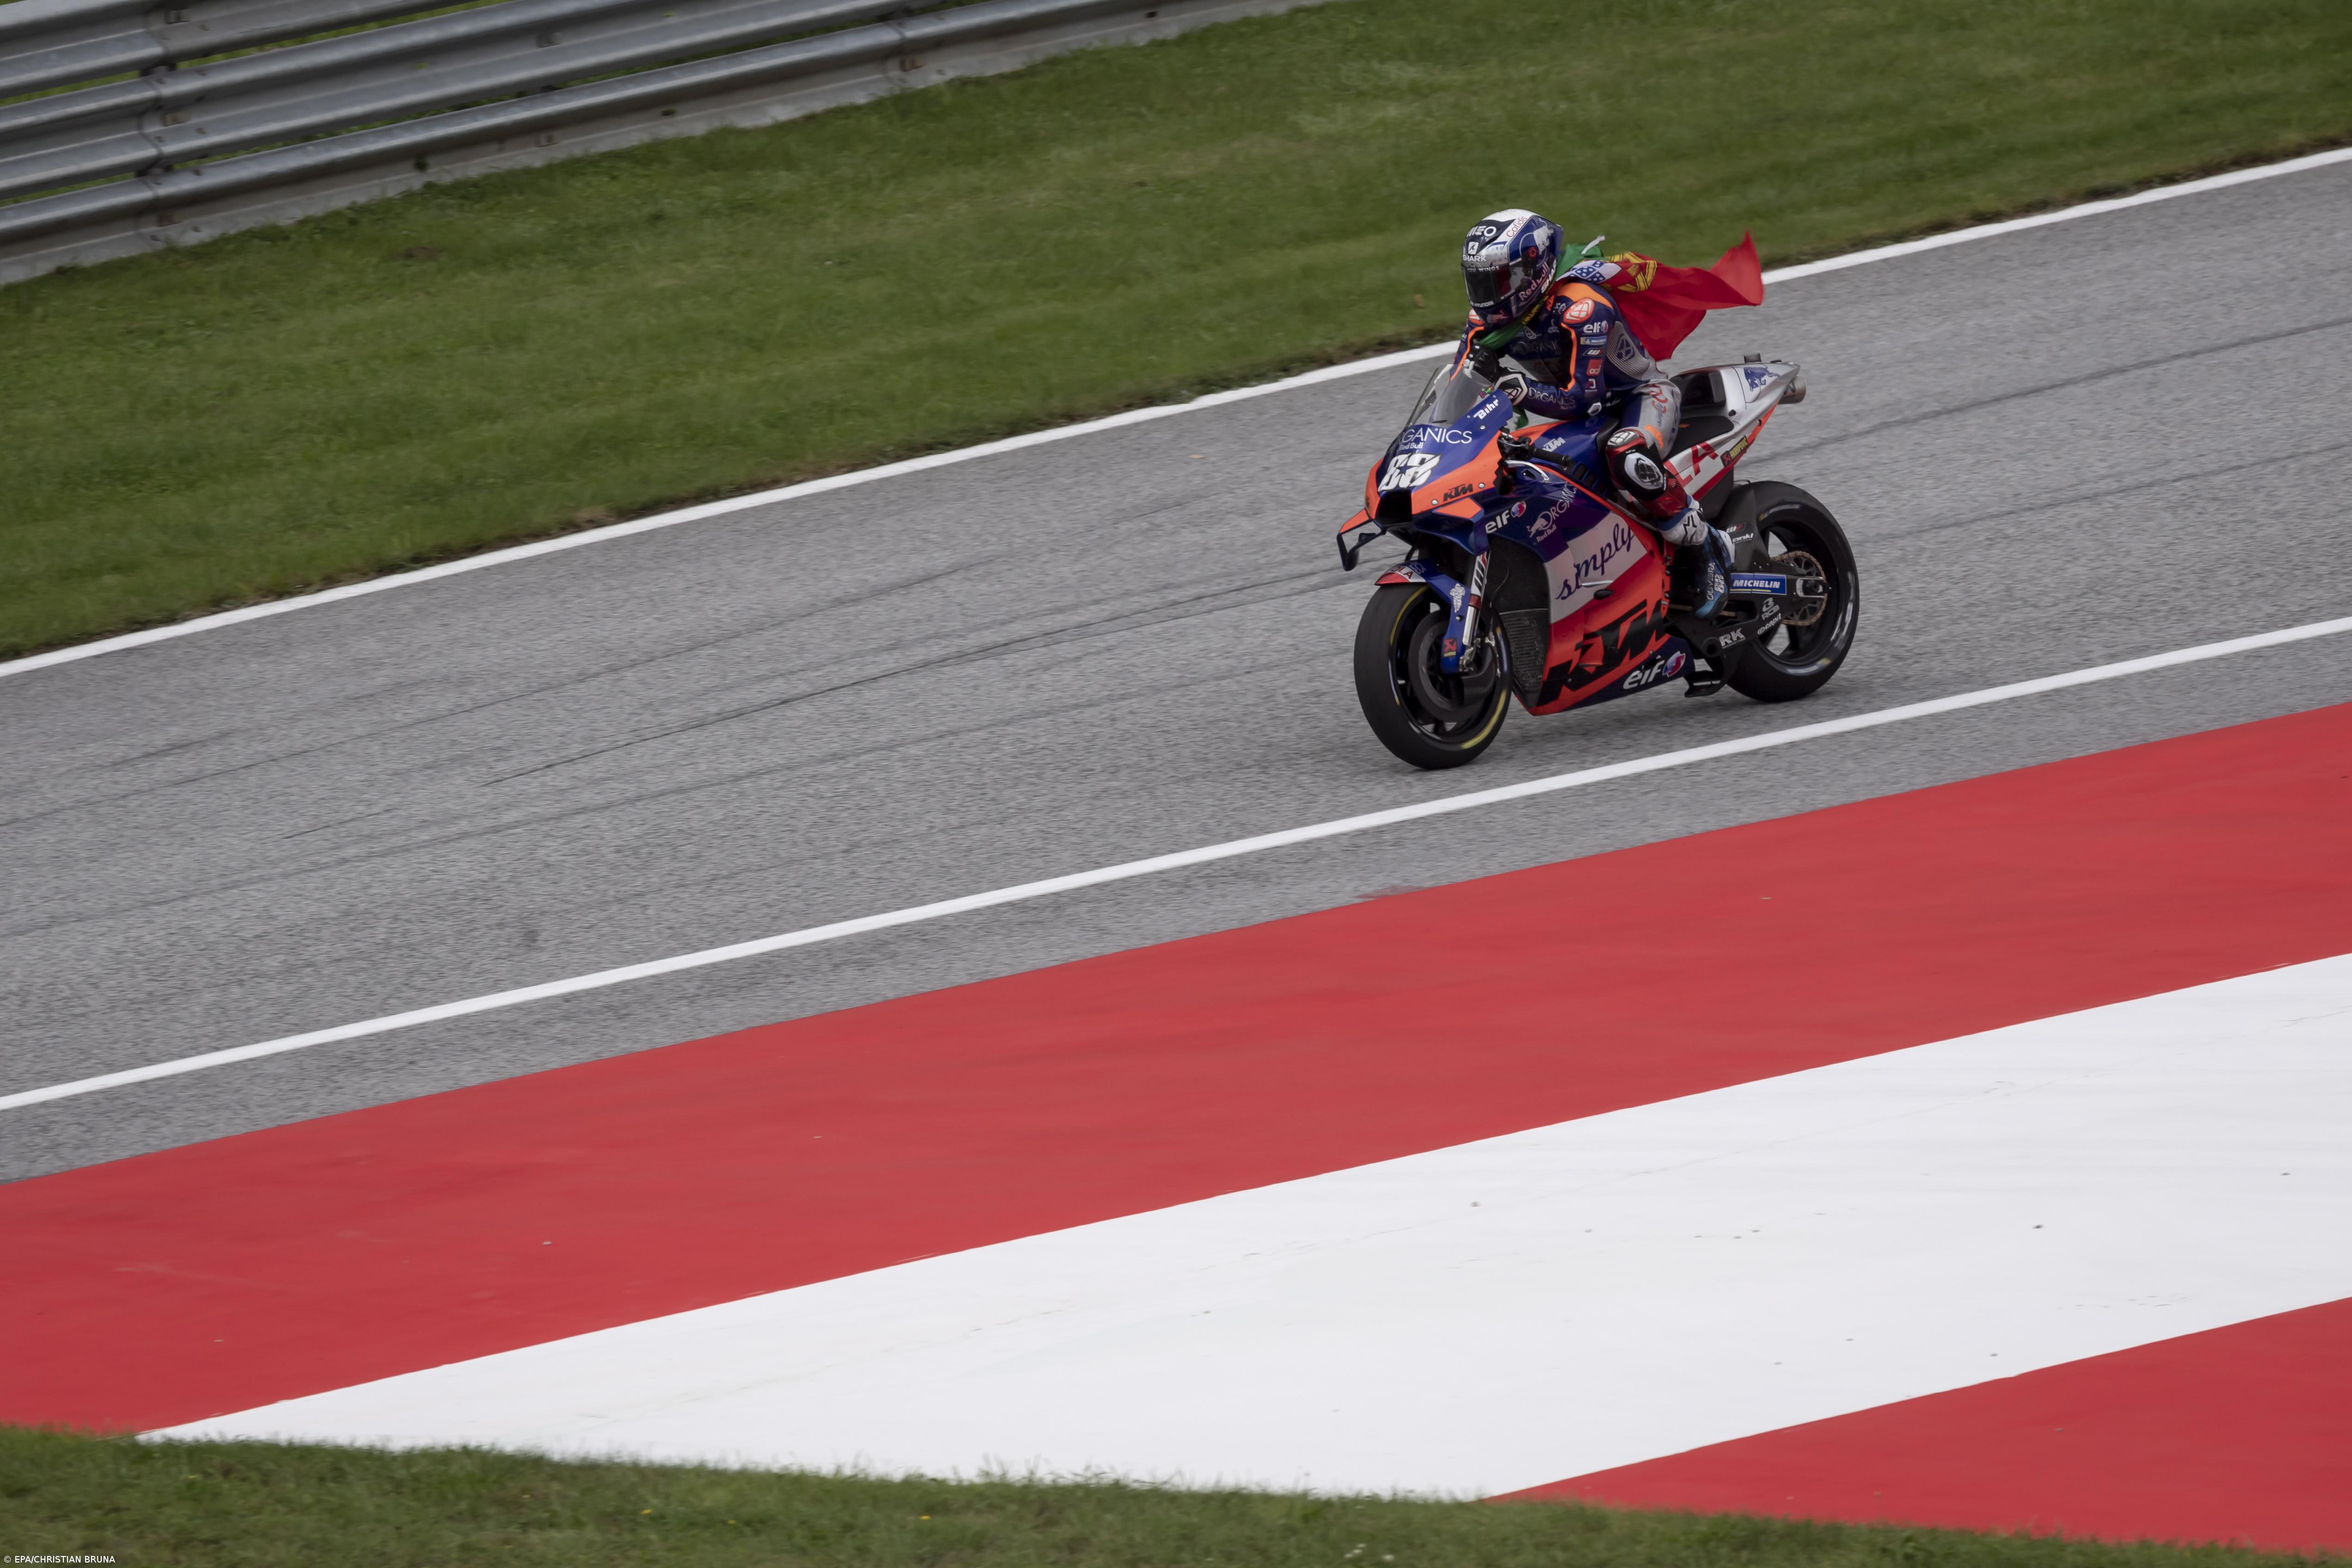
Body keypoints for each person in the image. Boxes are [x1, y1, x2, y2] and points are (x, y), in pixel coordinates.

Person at [1457, 208, 1737, 617]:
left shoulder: (1582, 308)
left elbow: (1582, 398)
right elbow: (1458, 386)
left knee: (1626, 455)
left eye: (1499, 280)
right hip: (1579, 419)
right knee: (1521, 471)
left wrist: (1519, 389)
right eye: (1478, 281)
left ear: (1533, 270)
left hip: (1638, 398)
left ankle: (1711, 546)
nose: (1488, 294)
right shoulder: (1485, 324)